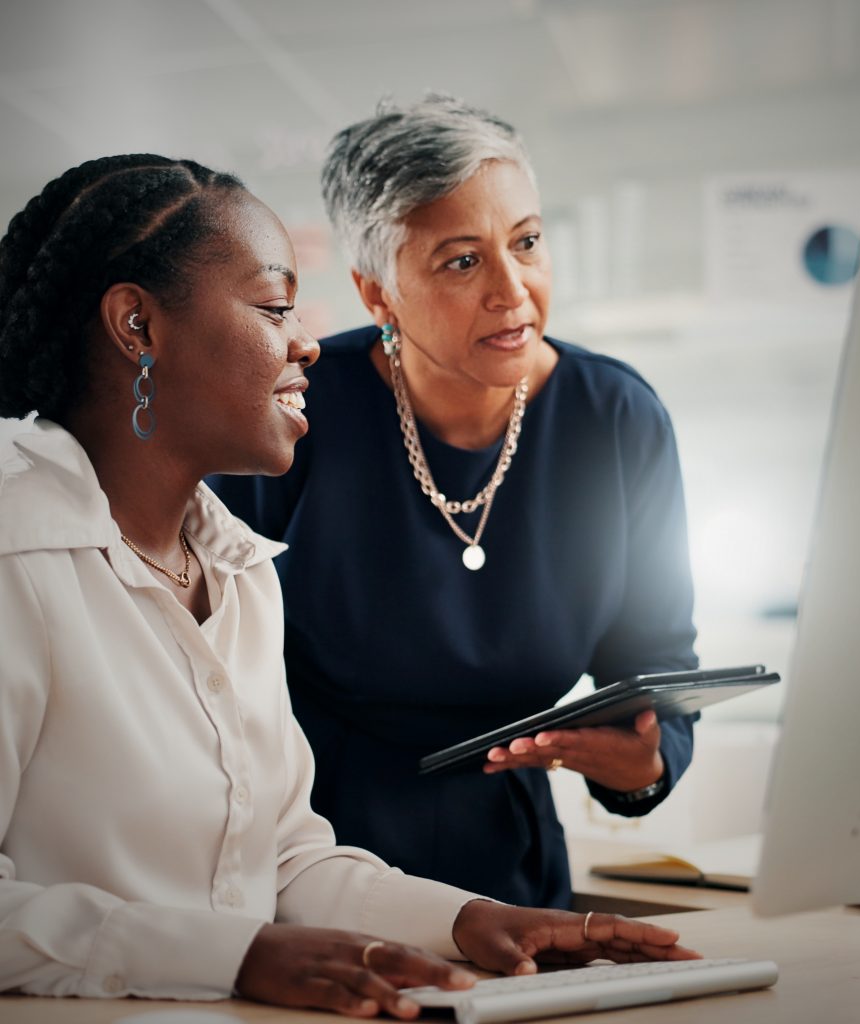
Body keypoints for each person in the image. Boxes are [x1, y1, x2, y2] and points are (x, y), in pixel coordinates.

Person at [0, 154, 699, 1017]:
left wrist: (472, 919)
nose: (305, 343)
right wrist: (238, 955)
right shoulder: (14, 553)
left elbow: (286, 858)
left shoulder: (239, 566)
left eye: (527, 242)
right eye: (273, 306)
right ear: (137, 326)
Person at [210, 95, 701, 910]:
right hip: (309, 862)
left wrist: (645, 765)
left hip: (513, 865)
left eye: (529, 243)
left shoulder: (616, 417)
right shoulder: (293, 408)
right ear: (377, 293)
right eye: (462, 261)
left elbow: (657, 668)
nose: (514, 291)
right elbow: (209, 669)